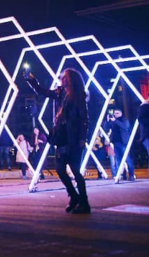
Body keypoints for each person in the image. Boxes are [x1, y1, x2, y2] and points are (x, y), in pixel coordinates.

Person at [26, 68, 91, 214]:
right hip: (62, 137)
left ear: (73, 79)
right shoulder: (59, 92)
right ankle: (74, 196)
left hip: (73, 138)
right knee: (60, 169)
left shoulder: (79, 96)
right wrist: (32, 81)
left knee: (75, 170)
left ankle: (84, 202)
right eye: (62, 77)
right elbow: (43, 92)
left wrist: (82, 138)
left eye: (66, 78)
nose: (63, 80)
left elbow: (84, 120)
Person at [104, 109, 135, 181]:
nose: (115, 114)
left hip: (123, 142)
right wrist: (107, 121)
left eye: (117, 113)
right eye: (115, 113)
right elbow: (106, 128)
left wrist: (115, 120)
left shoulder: (124, 120)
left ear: (121, 113)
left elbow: (125, 126)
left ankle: (131, 175)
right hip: (116, 142)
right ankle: (122, 175)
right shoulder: (113, 121)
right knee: (118, 160)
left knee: (127, 159)